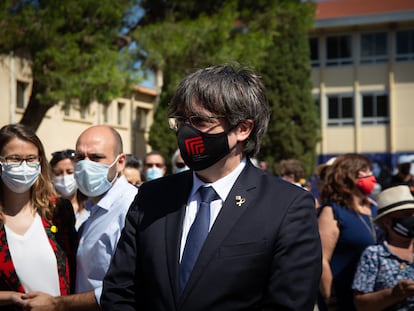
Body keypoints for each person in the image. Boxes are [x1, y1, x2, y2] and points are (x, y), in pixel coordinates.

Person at [101, 64, 322, 310]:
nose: (187, 132)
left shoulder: (287, 206)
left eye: (200, 121)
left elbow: (288, 303)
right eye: (181, 121)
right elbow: (119, 292)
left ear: (242, 128)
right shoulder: (152, 196)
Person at [22, 125, 138, 311]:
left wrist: (57, 304)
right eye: (79, 157)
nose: (85, 165)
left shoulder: (131, 210)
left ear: (120, 162)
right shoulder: (92, 210)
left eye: (96, 158)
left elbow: (127, 289)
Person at [0, 124, 77, 310]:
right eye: (15, 159)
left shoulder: (58, 211)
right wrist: (11, 297)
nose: (24, 166)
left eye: (31, 159)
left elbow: (76, 270)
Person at [317, 153, 378, 311]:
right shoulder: (333, 212)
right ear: (347, 176)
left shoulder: (375, 209)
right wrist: (331, 299)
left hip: (375, 298)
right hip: (343, 298)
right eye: (364, 171)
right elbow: (321, 260)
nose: (370, 176)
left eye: (370, 171)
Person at [352, 185, 414, 310]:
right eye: (407, 214)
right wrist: (394, 294)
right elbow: (361, 303)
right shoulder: (373, 255)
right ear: (387, 222)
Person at [50, 149, 88, 230]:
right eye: (58, 173)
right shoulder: (47, 209)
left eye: (70, 172)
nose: (64, 177)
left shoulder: (90, 206)